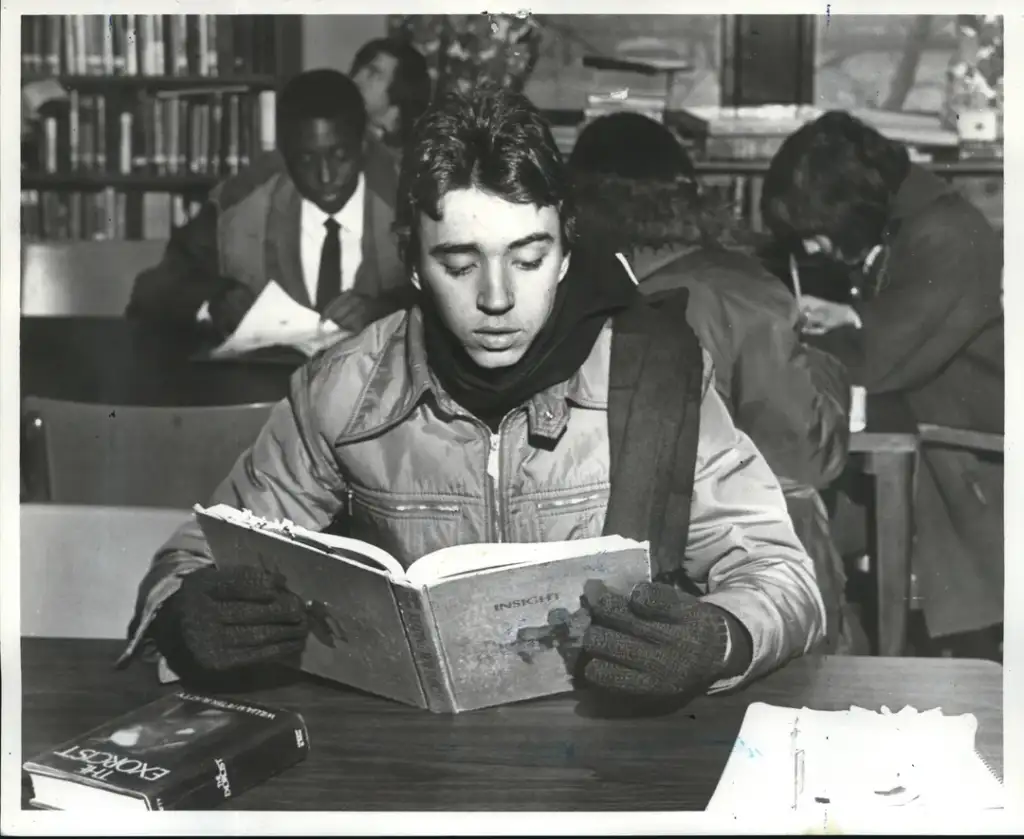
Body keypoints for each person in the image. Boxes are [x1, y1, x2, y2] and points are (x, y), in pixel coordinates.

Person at [118, 88, 826, 709]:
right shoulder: (342, 390)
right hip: (402, 762)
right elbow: (191, 558)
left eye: (528, 258)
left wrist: (719, 639)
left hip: (610, 761)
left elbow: (782, 572)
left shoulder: (661, 372)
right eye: (459, 263)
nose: (497, 299)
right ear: (414, 263)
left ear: (568, 251)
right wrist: (185, 618)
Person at [568, 111, 865, 654]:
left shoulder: (573, 292)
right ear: (691, 192)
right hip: (755, 581)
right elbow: (808, 457)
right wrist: (829, 364)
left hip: (626, 582)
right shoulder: (743, 290)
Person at [761, 110, 1004, 657]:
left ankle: (864, 664)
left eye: (816, 232)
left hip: (970, 460)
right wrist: (853, 314)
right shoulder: (917, 217)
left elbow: (880, 362)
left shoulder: (947, 234)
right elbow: (904, 316)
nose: (812, 251)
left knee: (799, 516)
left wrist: (777, 341)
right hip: (931, 429)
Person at [125, 69, 413, 339]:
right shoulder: (237, 207)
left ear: (363, 145)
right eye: (306, 160)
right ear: (285, 155)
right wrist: (213, 302)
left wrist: (389, 312)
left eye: (340, 156)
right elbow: (150, 296)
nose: (325, 177)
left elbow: (450, 304)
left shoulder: (413, 207)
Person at [350, 38, 432, 159]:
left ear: (401, 89)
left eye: (373, 73)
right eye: (357, 70)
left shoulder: (414, 160)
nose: (356, 79)